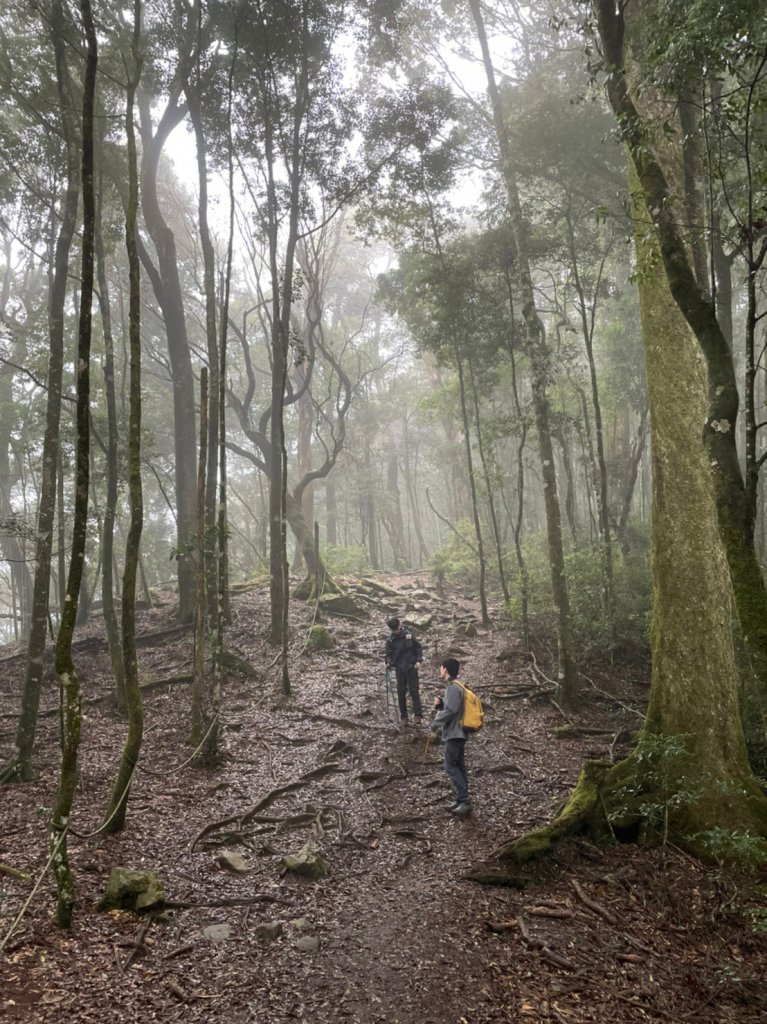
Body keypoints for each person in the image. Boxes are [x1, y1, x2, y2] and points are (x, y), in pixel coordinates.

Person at [429, 657, 471, 817]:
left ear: (445, 669)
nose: (439, 670)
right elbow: (451, 708)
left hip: (455, 733)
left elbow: (451, 711)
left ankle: (464, 800)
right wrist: (440, 705)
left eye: (440, 667)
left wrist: (435, 723)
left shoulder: (453, 688)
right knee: (459, 766)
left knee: (450, 766)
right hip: (458, 732)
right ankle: (461, 800)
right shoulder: (454, 687)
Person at [384, 616, 423, 727]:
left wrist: (419, 661)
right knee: (401, 693)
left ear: (399, 626)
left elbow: (418, 648)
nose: (395, 631)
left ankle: (418, 717)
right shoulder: (390, 640)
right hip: (400, 669)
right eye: (393, 630)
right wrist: (388, 662)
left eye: (396, 629)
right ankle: (404, 717)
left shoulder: (408, 636)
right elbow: (388, 654)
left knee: (414, 691)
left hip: (411, 666)